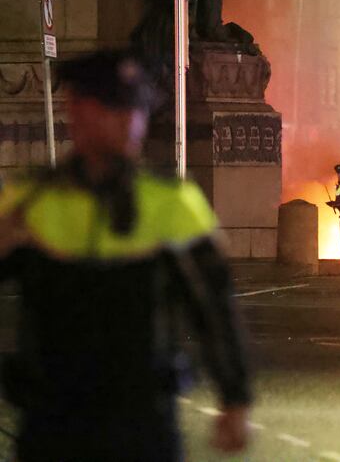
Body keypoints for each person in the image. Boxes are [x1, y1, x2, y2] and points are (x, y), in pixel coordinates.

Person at [0, 51, 252, 461]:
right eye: (113, 106)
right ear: (76, 110)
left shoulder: (175, 202)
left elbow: (213, 306)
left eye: (136, 108)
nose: (129, 121)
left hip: (142, 420)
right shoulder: (28, 202)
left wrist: (235, 397)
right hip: (50, 417)